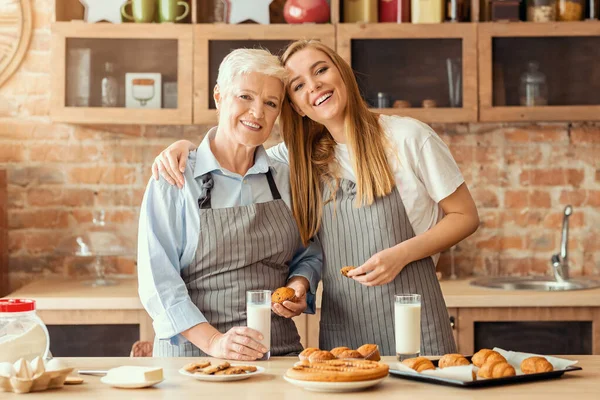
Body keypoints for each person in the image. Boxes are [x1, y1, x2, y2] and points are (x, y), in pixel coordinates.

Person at [151, 41, 479, 356]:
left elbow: (465, 216)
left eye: (321, 70)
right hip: (343, 331)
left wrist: (400, 255)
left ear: (342, 72)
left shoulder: (408, 137)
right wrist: (187, 149)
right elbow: (237, 143)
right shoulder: (300, 158)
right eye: (297, 86)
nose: (314, 86)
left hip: (414, 321)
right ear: (295, 106)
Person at [138, 48, 322, 360]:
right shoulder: (174, 176)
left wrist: (300, 284)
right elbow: (158, 282)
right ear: (219, 96)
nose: (257, 113)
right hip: (195, 358)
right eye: (245, 97)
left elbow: (309, 252)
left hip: (276, 353)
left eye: (270, 103)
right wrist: (214, 343)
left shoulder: (287, 177)